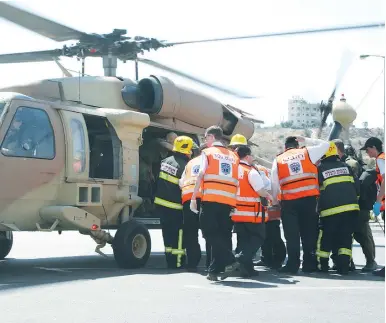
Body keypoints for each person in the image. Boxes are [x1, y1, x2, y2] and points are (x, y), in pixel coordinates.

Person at [271, 135, 330, 274]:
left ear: (285, 147)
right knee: (309, 233)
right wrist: (307, 139)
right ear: (297, 145)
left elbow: (274, 182)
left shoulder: (278, 159)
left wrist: (275, 201)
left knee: (292, 235)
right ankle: (309, 264)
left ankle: (292, 265)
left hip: (289, 203)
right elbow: (326, 145)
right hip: (309, 201)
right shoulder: (307, 152)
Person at [190, 125, 240, 281]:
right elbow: (237, 182)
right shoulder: (233, 156)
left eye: (206, 138)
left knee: (209, 233)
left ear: (212, 137)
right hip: (228, 201)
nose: (205, 141)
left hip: (211, 199)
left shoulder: (207, 153)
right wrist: (235, 204)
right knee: (223, 235)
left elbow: (200, 175)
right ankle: (214, 270)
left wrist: (193, 198)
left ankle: (230, 260)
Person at [316, 142, 360, 275]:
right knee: (345, 238)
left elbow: (315, 190)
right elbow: (357, 188)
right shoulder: (346, 166)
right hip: (351, 210)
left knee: (326, 238)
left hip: (330, 211)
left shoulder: (320, 169)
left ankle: (323, 266)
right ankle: (344, 267)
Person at [231, 145, 273, 277]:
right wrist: (269, 196)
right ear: (248, 156)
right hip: (252, 213)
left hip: (237, 213)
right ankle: (240, 258)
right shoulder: (250, 171)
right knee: (258, 238)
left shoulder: (232, 170)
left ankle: (247, 269)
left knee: (243, 240)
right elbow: (260, 190)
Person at [154, 136, 194, 269]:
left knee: (167, 234)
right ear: (187, 151)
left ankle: (170, 260)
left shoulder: (165, 161)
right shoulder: (186, 166)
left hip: (161, 204)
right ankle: (178, 262)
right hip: (176, 207)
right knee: (179, 235)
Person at [360, 137, 385, 277]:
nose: (368, 153)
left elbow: (385, 181)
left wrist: (378, 200)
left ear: (374, 147)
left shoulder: (381, 159)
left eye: (368, 150)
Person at [179, 143, 204, 271]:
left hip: (188, 199)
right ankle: (212, 262)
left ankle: (193, 262)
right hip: (205, 198)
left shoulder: (190, 163)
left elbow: (181, 182)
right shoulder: (211, 161)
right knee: (209, 231)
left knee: (190, 232)